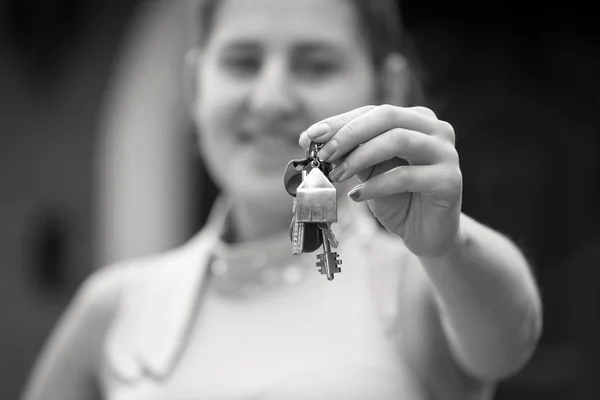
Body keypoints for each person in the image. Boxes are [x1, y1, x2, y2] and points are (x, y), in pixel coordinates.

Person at [21, 0, 543, 399]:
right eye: (242, 62)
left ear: (388, 86)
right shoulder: (115, 309)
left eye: (315, 65)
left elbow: (510, 339)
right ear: (192, 87)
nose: (271, 100)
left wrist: (447, 244)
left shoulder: (422, 283)